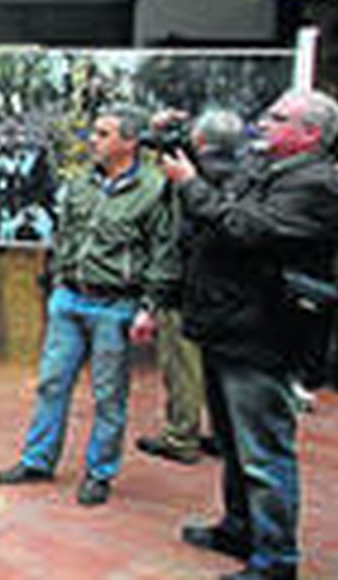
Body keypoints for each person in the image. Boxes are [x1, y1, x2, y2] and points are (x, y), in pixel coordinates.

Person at [162, 90, 338, 580]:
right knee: (233, 443)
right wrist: (182, 140)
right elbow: (221, 180)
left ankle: (275, 560)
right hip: (230, 328)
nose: (263, 123)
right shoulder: (268, 169)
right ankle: (239, 528)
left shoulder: (318, 185)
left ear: (310, 133)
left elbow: (250, 229)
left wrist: (189, 187)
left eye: (277, 117)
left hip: (264, 337)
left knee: (264, 453)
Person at [0, 105, 179, 507]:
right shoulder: (81, 183)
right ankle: (37, 459)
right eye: (94, 132)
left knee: (109, 395)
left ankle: (100, 473)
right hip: (69, 298)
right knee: (51, 383)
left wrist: (150, 306)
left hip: (116, 304)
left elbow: (164, 252)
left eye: (103, 134)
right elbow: (65, 234)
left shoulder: (154, 188)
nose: (93, 140)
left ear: (129, 142)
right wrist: (59, 279)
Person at [136, 110, 240, 466]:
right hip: (225, 289)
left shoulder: (191, 176)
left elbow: (174, 235)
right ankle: (226, 436)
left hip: (185, 284)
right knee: (216, 369)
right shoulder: (242, 170)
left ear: (199, 142)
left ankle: (181, 435)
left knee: (181, 365)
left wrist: (159, 290)